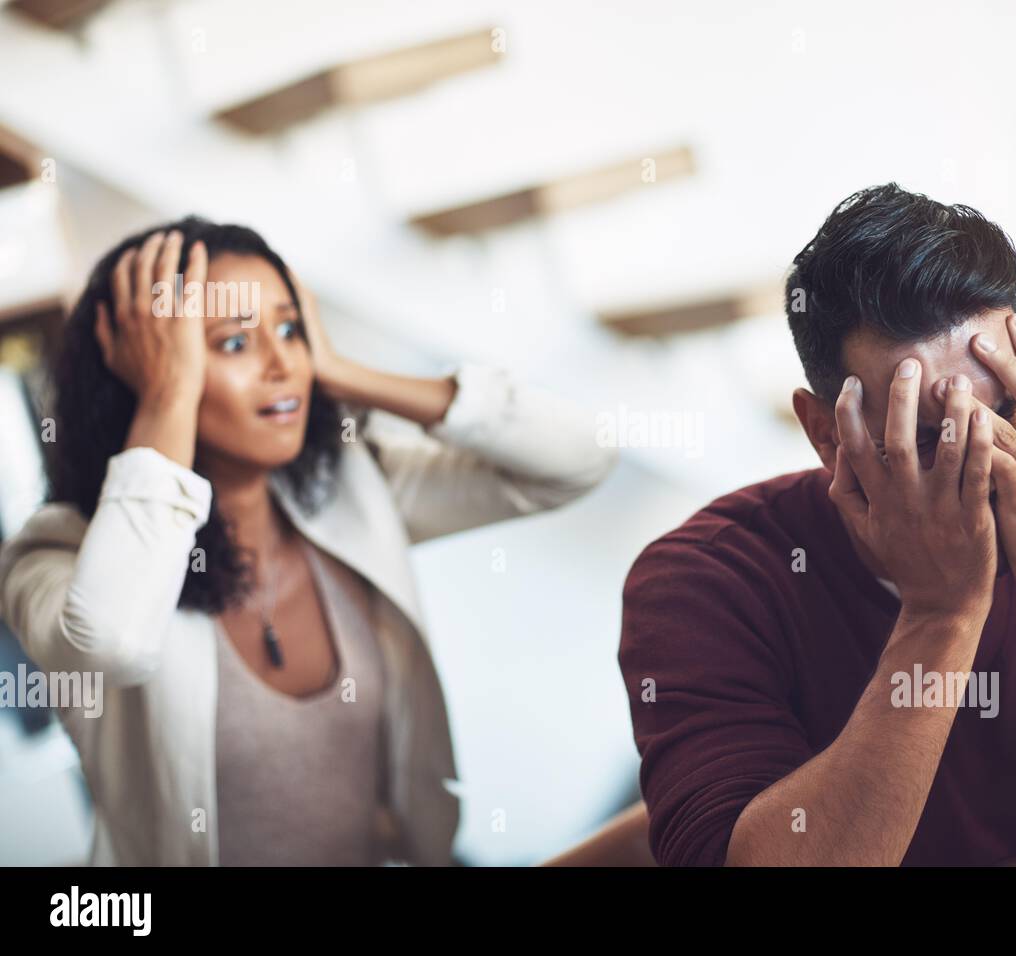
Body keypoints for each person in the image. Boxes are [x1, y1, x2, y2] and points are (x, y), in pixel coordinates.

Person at [0, 217, 616, 865]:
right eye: (233, 343)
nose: (281, 366)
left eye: (290, 330)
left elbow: (578, 459)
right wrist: (167, 395)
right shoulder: (53, 556)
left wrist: (337, 369)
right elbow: (113, 643)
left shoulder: (349, 486)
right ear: (149, 373)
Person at [618, 183, 1016, 866]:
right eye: (931, 440)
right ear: (824, 433)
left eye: (1003, 416)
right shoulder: (705, 581)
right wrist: (940, 615)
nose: (986, 467)